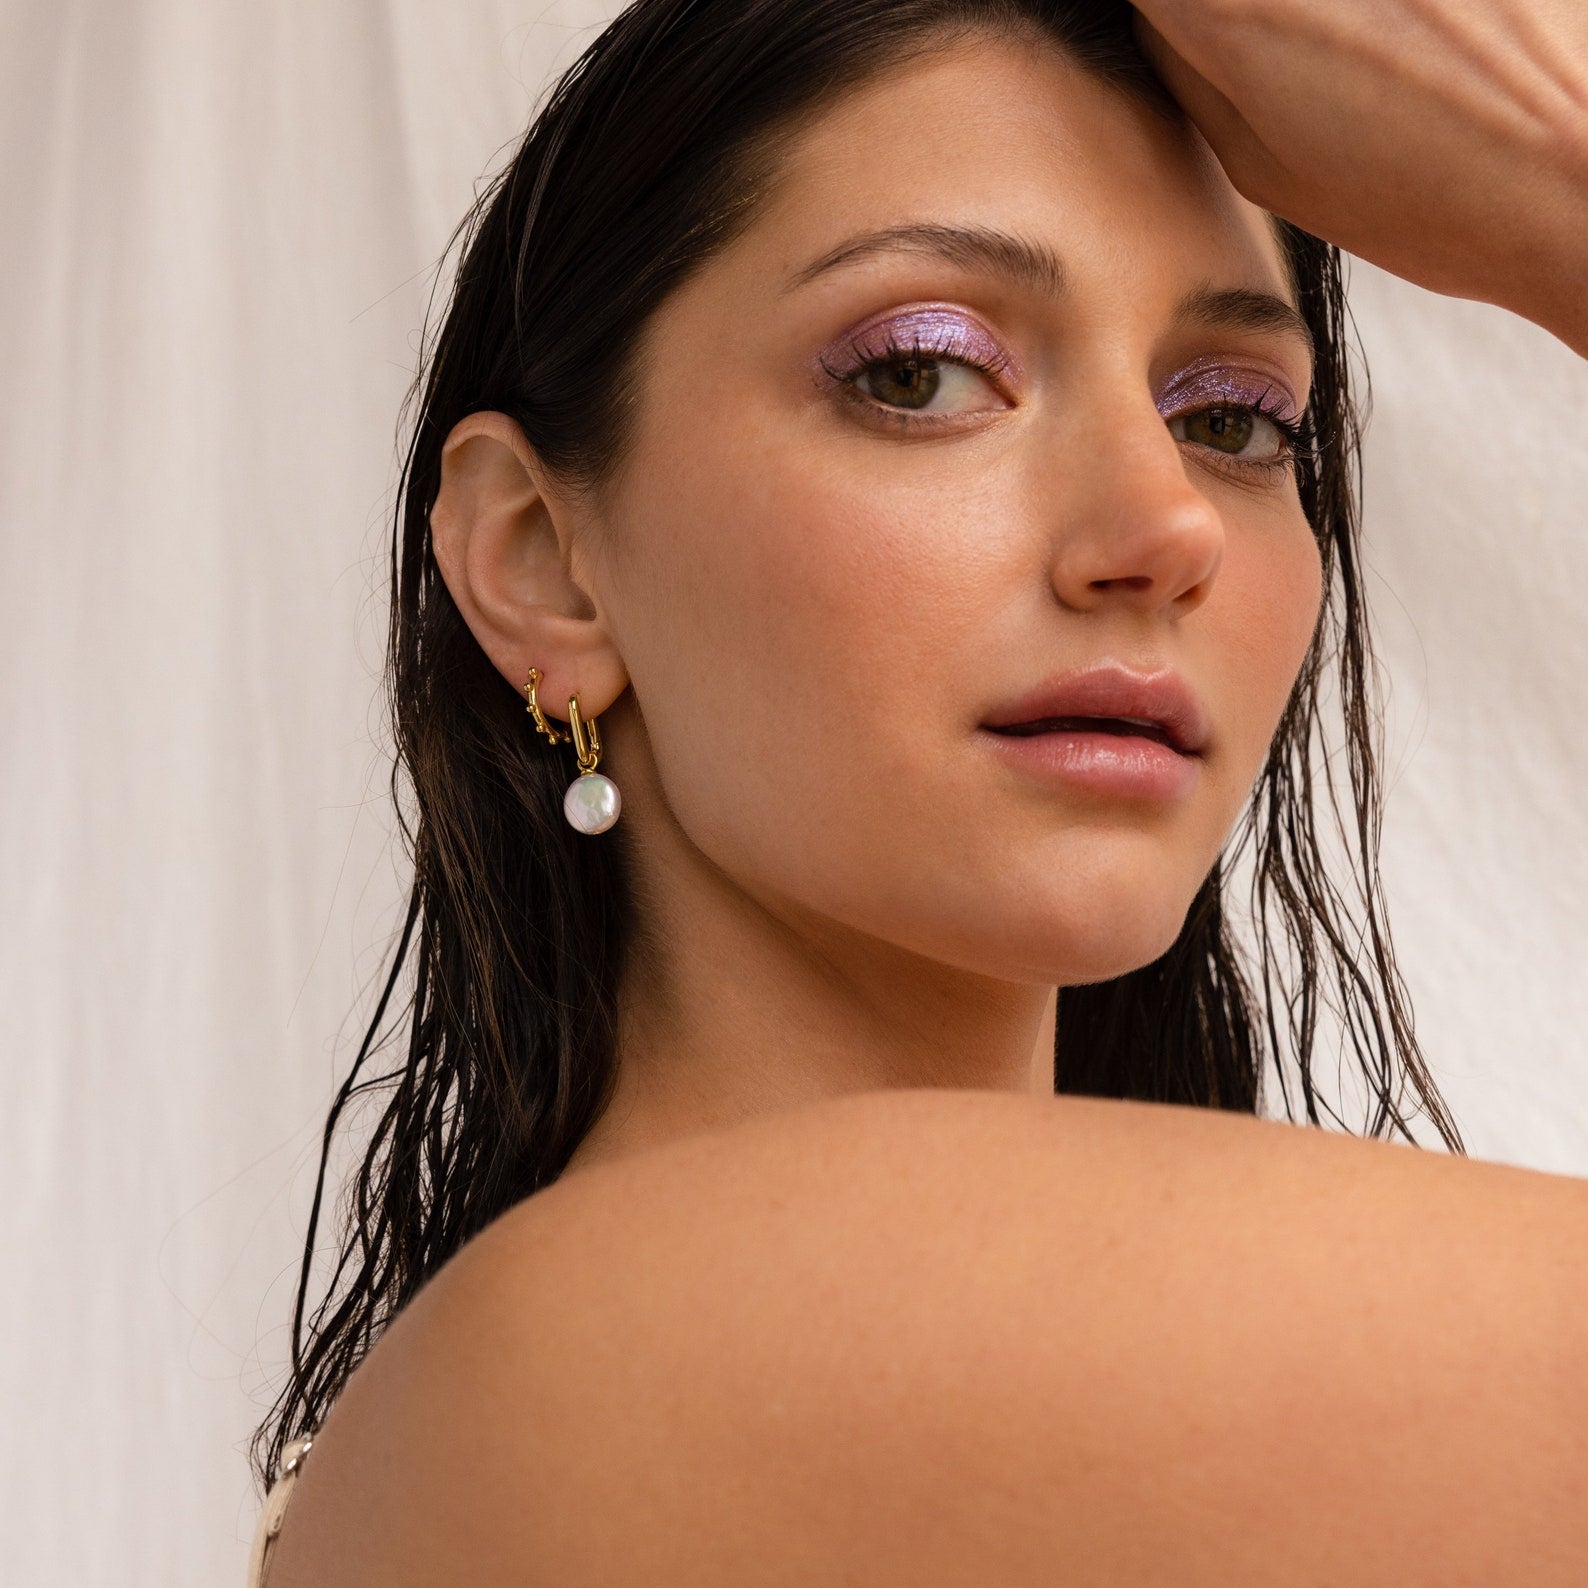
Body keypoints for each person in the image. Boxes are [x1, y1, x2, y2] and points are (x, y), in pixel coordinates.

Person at [248, 0, 1588, 1581]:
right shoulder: (647, 1334)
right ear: (542, 563)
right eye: (923, 375)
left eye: (1232, 417)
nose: (1166, 526)